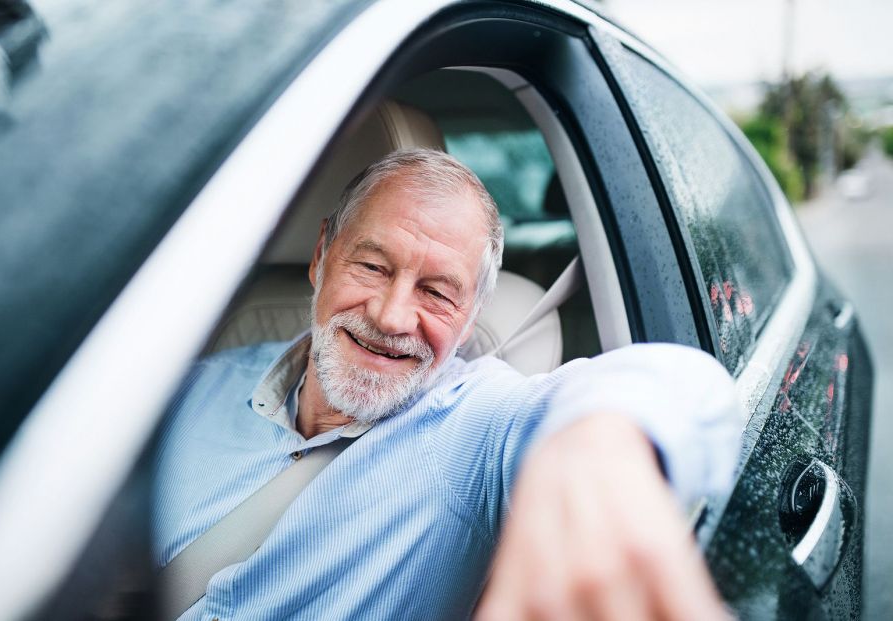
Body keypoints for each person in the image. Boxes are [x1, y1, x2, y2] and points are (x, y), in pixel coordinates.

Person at [153, 148, 743, 620]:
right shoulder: (188, 386)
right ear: (322, 257)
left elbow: (680, 381)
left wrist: (599, 444)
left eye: (436, 292)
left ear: (469, 320)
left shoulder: (477, 428)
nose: (390, 316)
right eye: (372, 266)